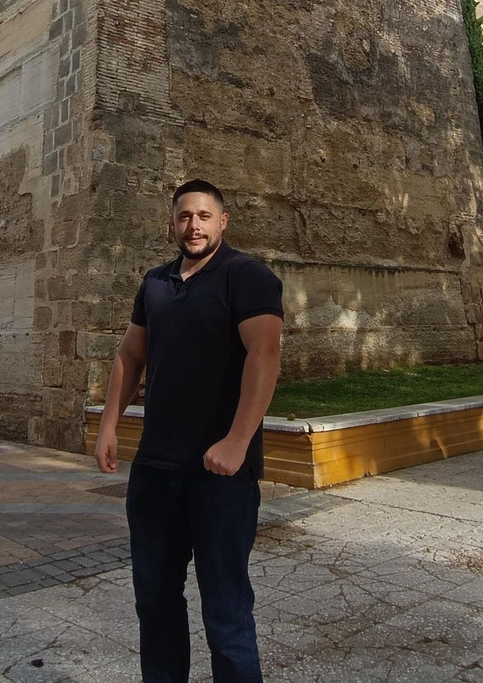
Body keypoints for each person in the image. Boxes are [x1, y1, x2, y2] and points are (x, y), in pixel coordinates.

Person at [96, 179, 284, 683]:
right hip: (156, 471)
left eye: (203, 216)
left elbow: (264, 355)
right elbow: (130, 354)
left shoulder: (247, 276)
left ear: (222, 221)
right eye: (184, 216)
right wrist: (108, 424)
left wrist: (238, 441)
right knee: (154, 602)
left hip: (220, 476)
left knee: (225, 612)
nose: (193, 225)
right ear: (172, 222)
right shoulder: (155, 283)